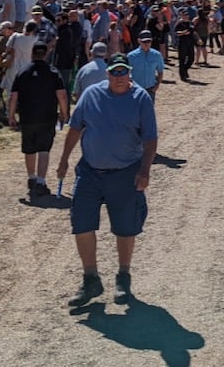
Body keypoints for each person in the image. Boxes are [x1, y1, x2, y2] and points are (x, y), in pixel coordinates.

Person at [57, 53, 158, 306]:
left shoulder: (140, 99)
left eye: (123, 72)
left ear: (129, 73)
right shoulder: (91, 95)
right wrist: (64, 159)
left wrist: (145, 170)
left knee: (125, 227)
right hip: (90, 171)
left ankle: (123, 277)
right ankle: (91, 279)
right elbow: (76, 127)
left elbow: (150, 138)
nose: (119, 77)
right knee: (81, 223)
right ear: (108, 73)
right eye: (115, 72)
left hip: (126, 172)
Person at [7, 43, 69, 198]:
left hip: (27, 117)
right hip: (47, 116)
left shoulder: (22, 72)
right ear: (46, 54)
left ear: (32, 54)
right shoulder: (53, 72)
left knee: (29, 148)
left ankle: (31, 178)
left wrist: (11, 115)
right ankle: (41, 182)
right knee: (43, 149)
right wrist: (64, 112)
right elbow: (61, 95)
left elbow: (13, 96)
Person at [127, 30, 164, 103]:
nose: (146, 44)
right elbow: (126, 72)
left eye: (148, 41)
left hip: (150, 88)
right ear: (139, 41)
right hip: (135, 88)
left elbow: (160, 71)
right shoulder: (131, 56)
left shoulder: (157, 55)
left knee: (148, 111)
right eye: (144, 42)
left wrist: (157, 85)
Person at [175, 9, 196, 82]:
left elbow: (194, 32)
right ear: (182, 16)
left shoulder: (191, 23)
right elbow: (177, 33)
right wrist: (183, 33)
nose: (187, 16)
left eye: (187, 15)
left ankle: (185, 69)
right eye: (185, 15)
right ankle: (183, 75)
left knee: (191, 59)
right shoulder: (180, 23)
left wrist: (198, 39)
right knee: (182, 59)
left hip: (190, 43)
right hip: (182, 43)